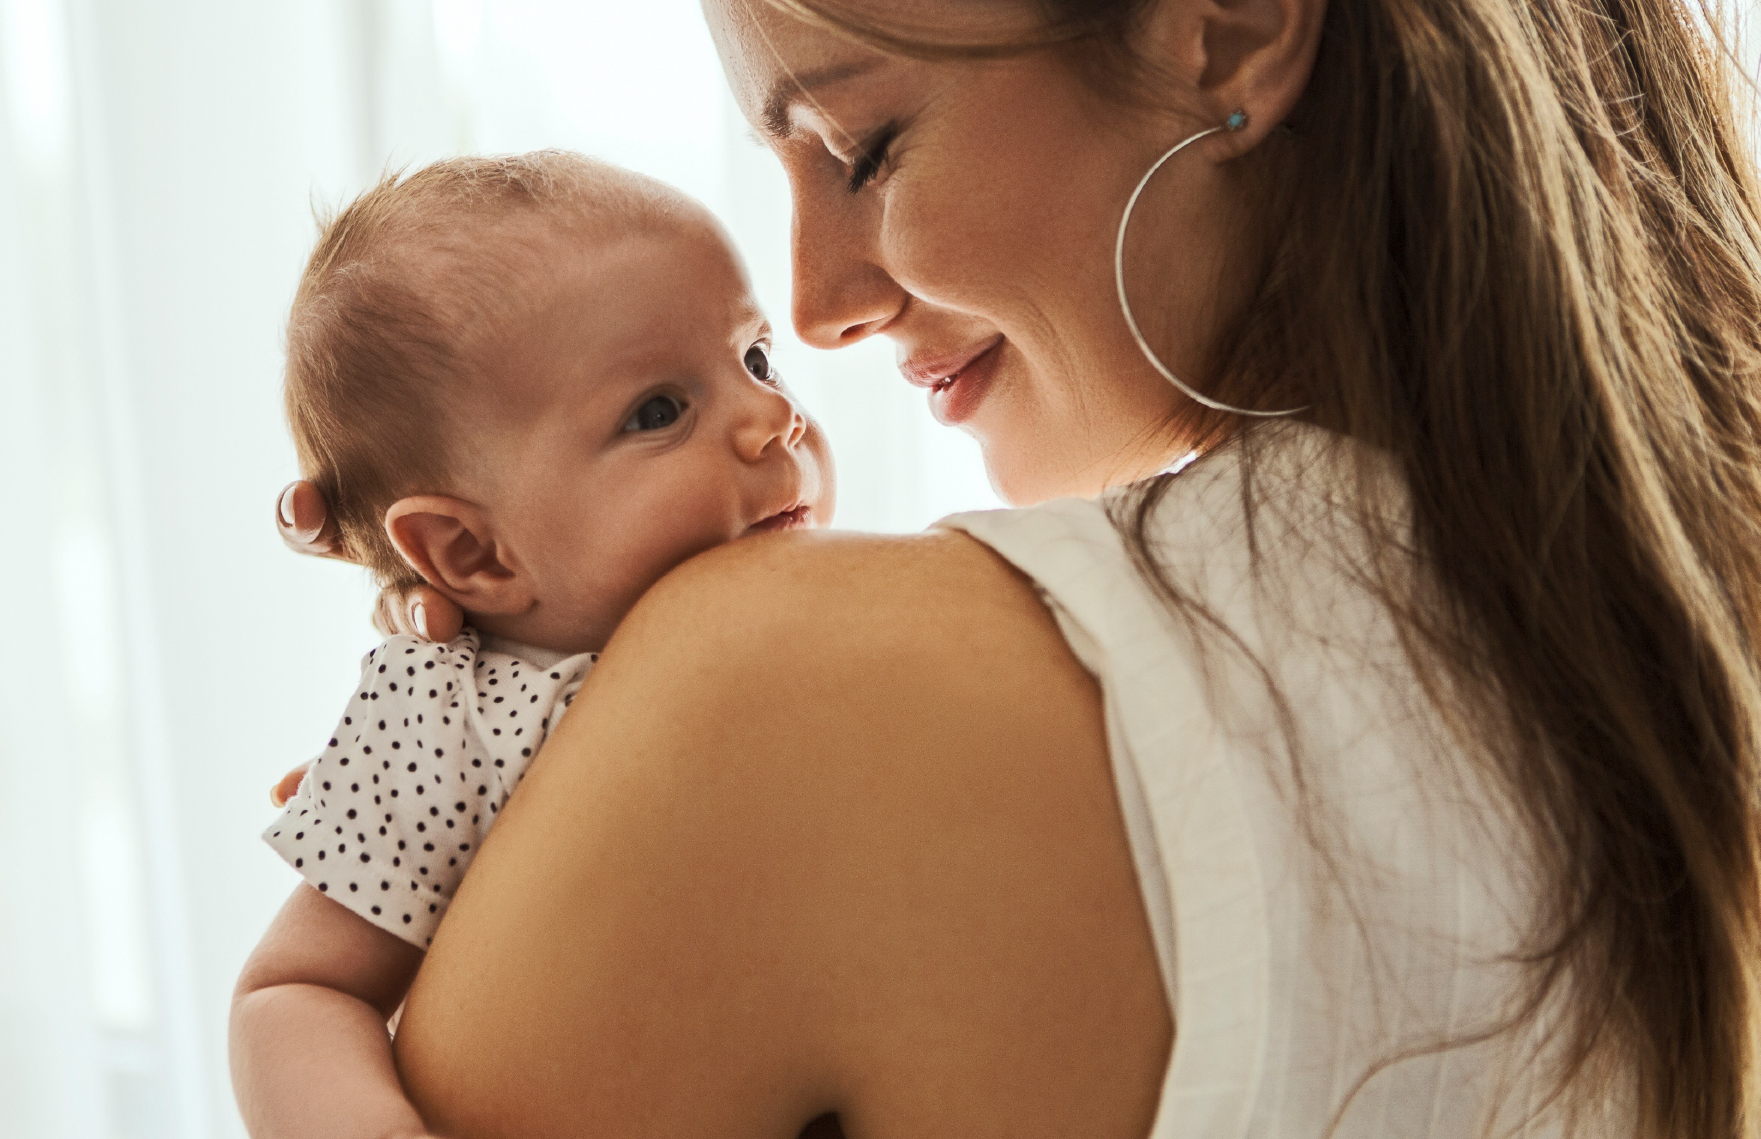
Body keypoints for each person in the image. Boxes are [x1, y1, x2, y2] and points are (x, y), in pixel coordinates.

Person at [245, 0, 1761, 1135]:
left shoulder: (783, 684)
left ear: (1226, 29)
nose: (816, 313)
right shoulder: (1684, 616)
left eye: (863, 146)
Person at [229, 151, 834, 1138]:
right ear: (471, 549)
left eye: (755, 358)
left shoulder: (841, 614)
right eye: (658, 409)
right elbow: (293, 988)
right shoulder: (451, 716)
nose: (774, 416)